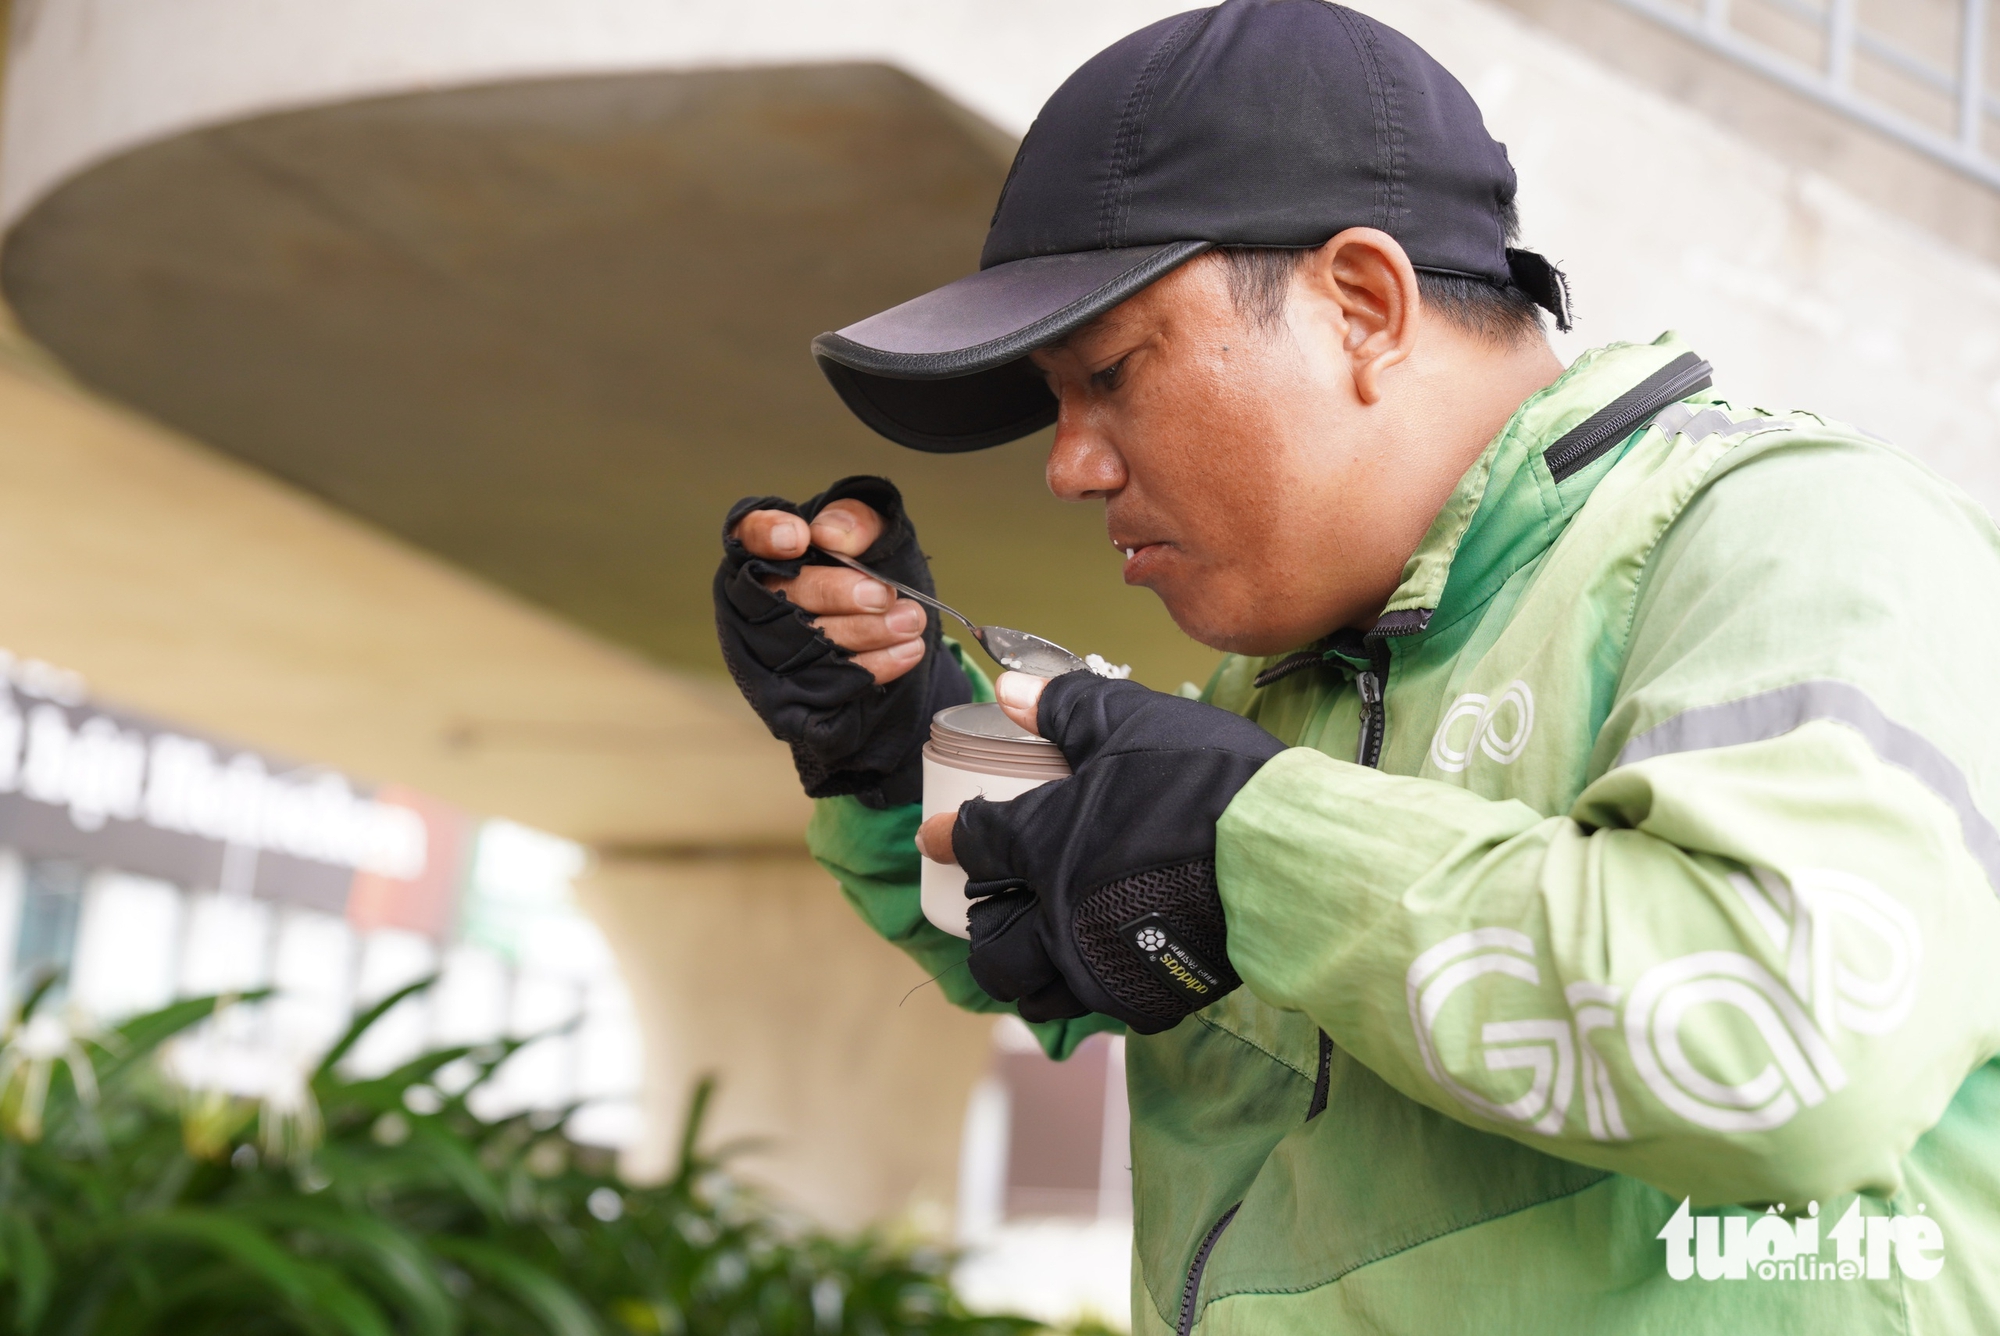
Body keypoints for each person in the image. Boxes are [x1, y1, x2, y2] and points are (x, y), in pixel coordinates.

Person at [713, 2, 2000, 1330]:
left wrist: (1248, 833)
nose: (1069, 463)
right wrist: (893, 743)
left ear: (1363, 304)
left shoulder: (1797, 536)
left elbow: (1783, 1045)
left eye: (1110, 375)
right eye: (1057, 403)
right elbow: (1047, 947)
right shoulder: (1289, 695)